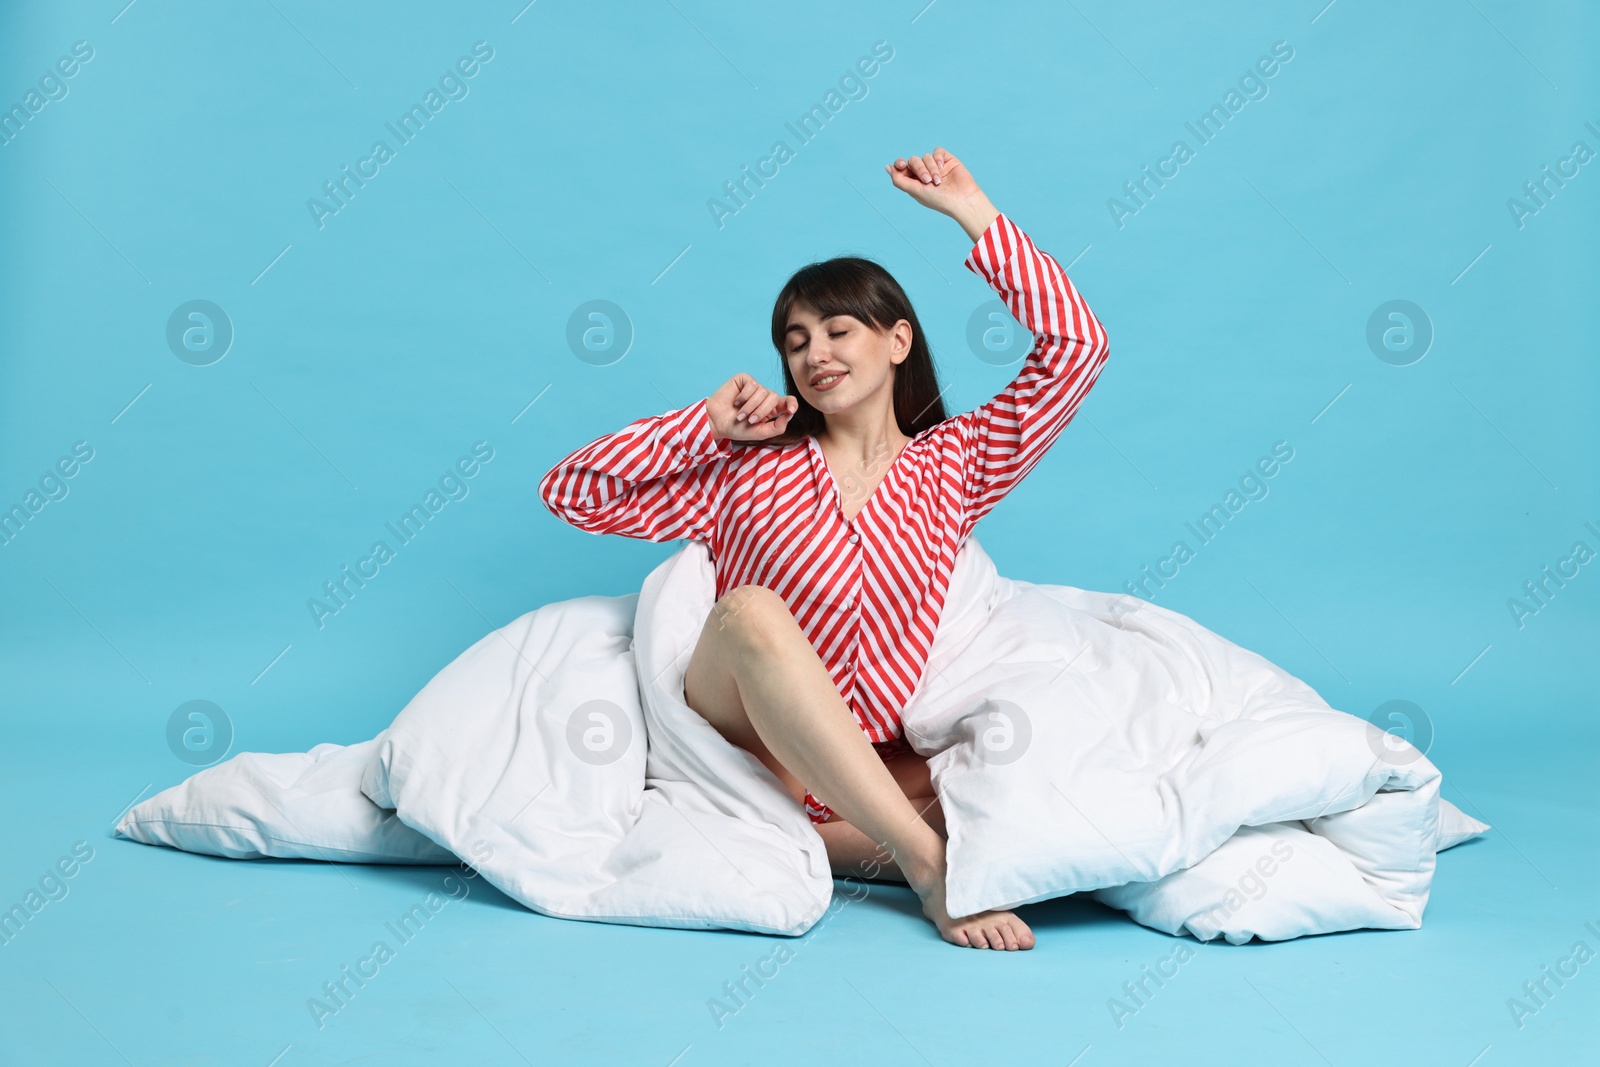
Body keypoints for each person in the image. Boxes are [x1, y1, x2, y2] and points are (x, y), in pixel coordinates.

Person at [540, 147, 1110, 949]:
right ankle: (926, 867)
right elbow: (575, 491)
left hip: (872, 772)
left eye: (839, 329)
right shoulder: (746, 465)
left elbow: (1078, 348)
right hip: (749, 743)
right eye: (796, 340)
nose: (814, 354)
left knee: (1048, 786)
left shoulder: (956, 465)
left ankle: (836, 844)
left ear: (899, 341)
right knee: (751, 613)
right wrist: (702, 426)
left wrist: (972, 213)